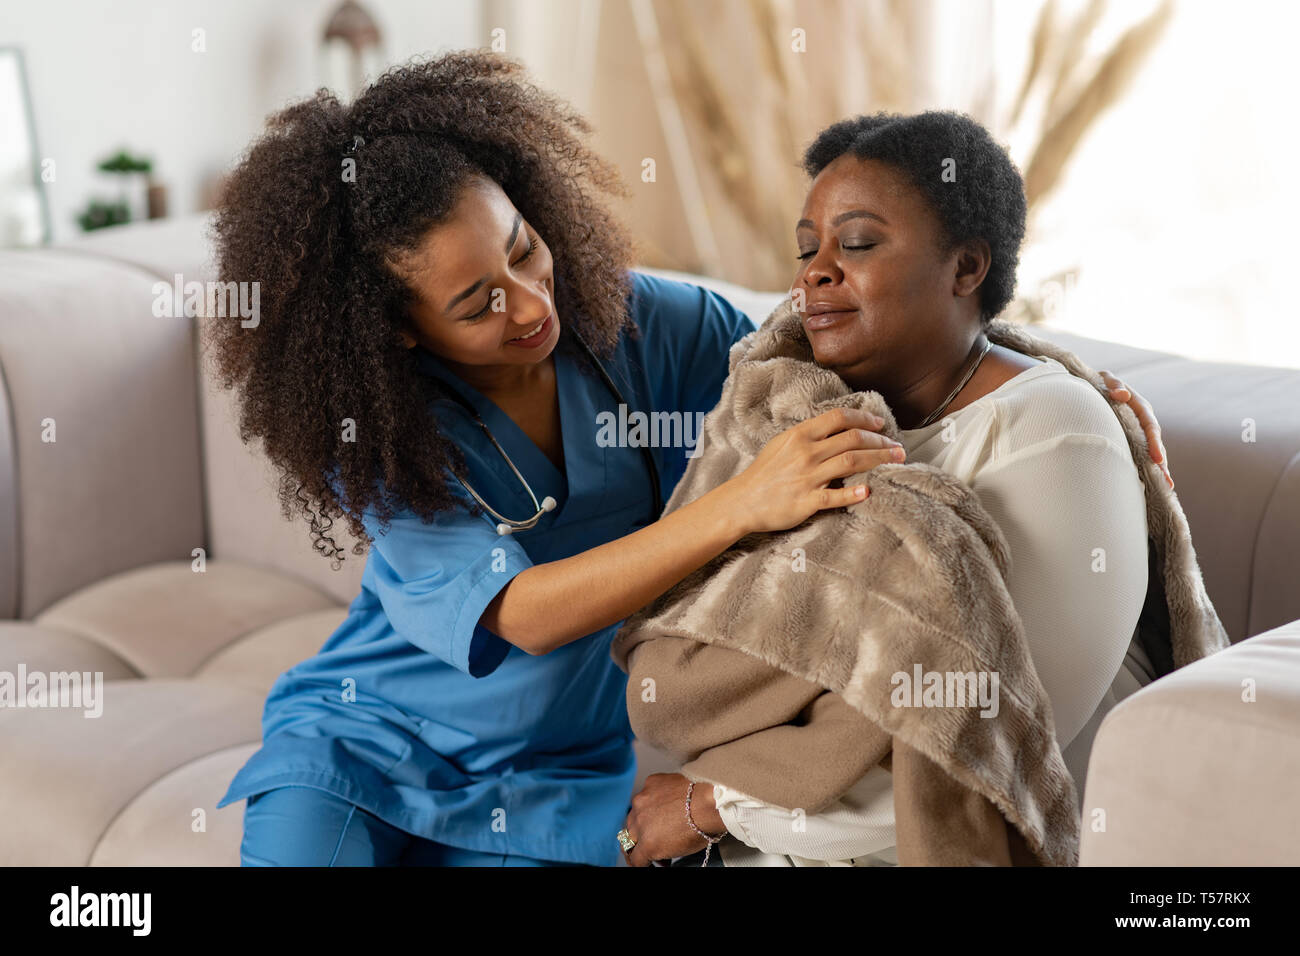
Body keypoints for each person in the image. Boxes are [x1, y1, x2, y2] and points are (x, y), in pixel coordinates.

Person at [206, 52, 911, 867]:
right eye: (479, 304)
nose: (535, 302)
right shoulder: (376, 434)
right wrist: (744, 502)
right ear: (398, 330)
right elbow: (522, 614)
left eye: (524, 248)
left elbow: (818, 342)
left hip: (558, 784)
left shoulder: (646, 326)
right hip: (361, 751)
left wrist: (1028, 369)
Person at [620, 110, 1168, 867]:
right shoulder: (799, 419)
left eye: (858, 243)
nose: (814, 272)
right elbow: (719, 654)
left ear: (966, 268)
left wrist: (718, 804)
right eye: (808, 248)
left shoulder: (1050, 428)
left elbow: (995, 738)